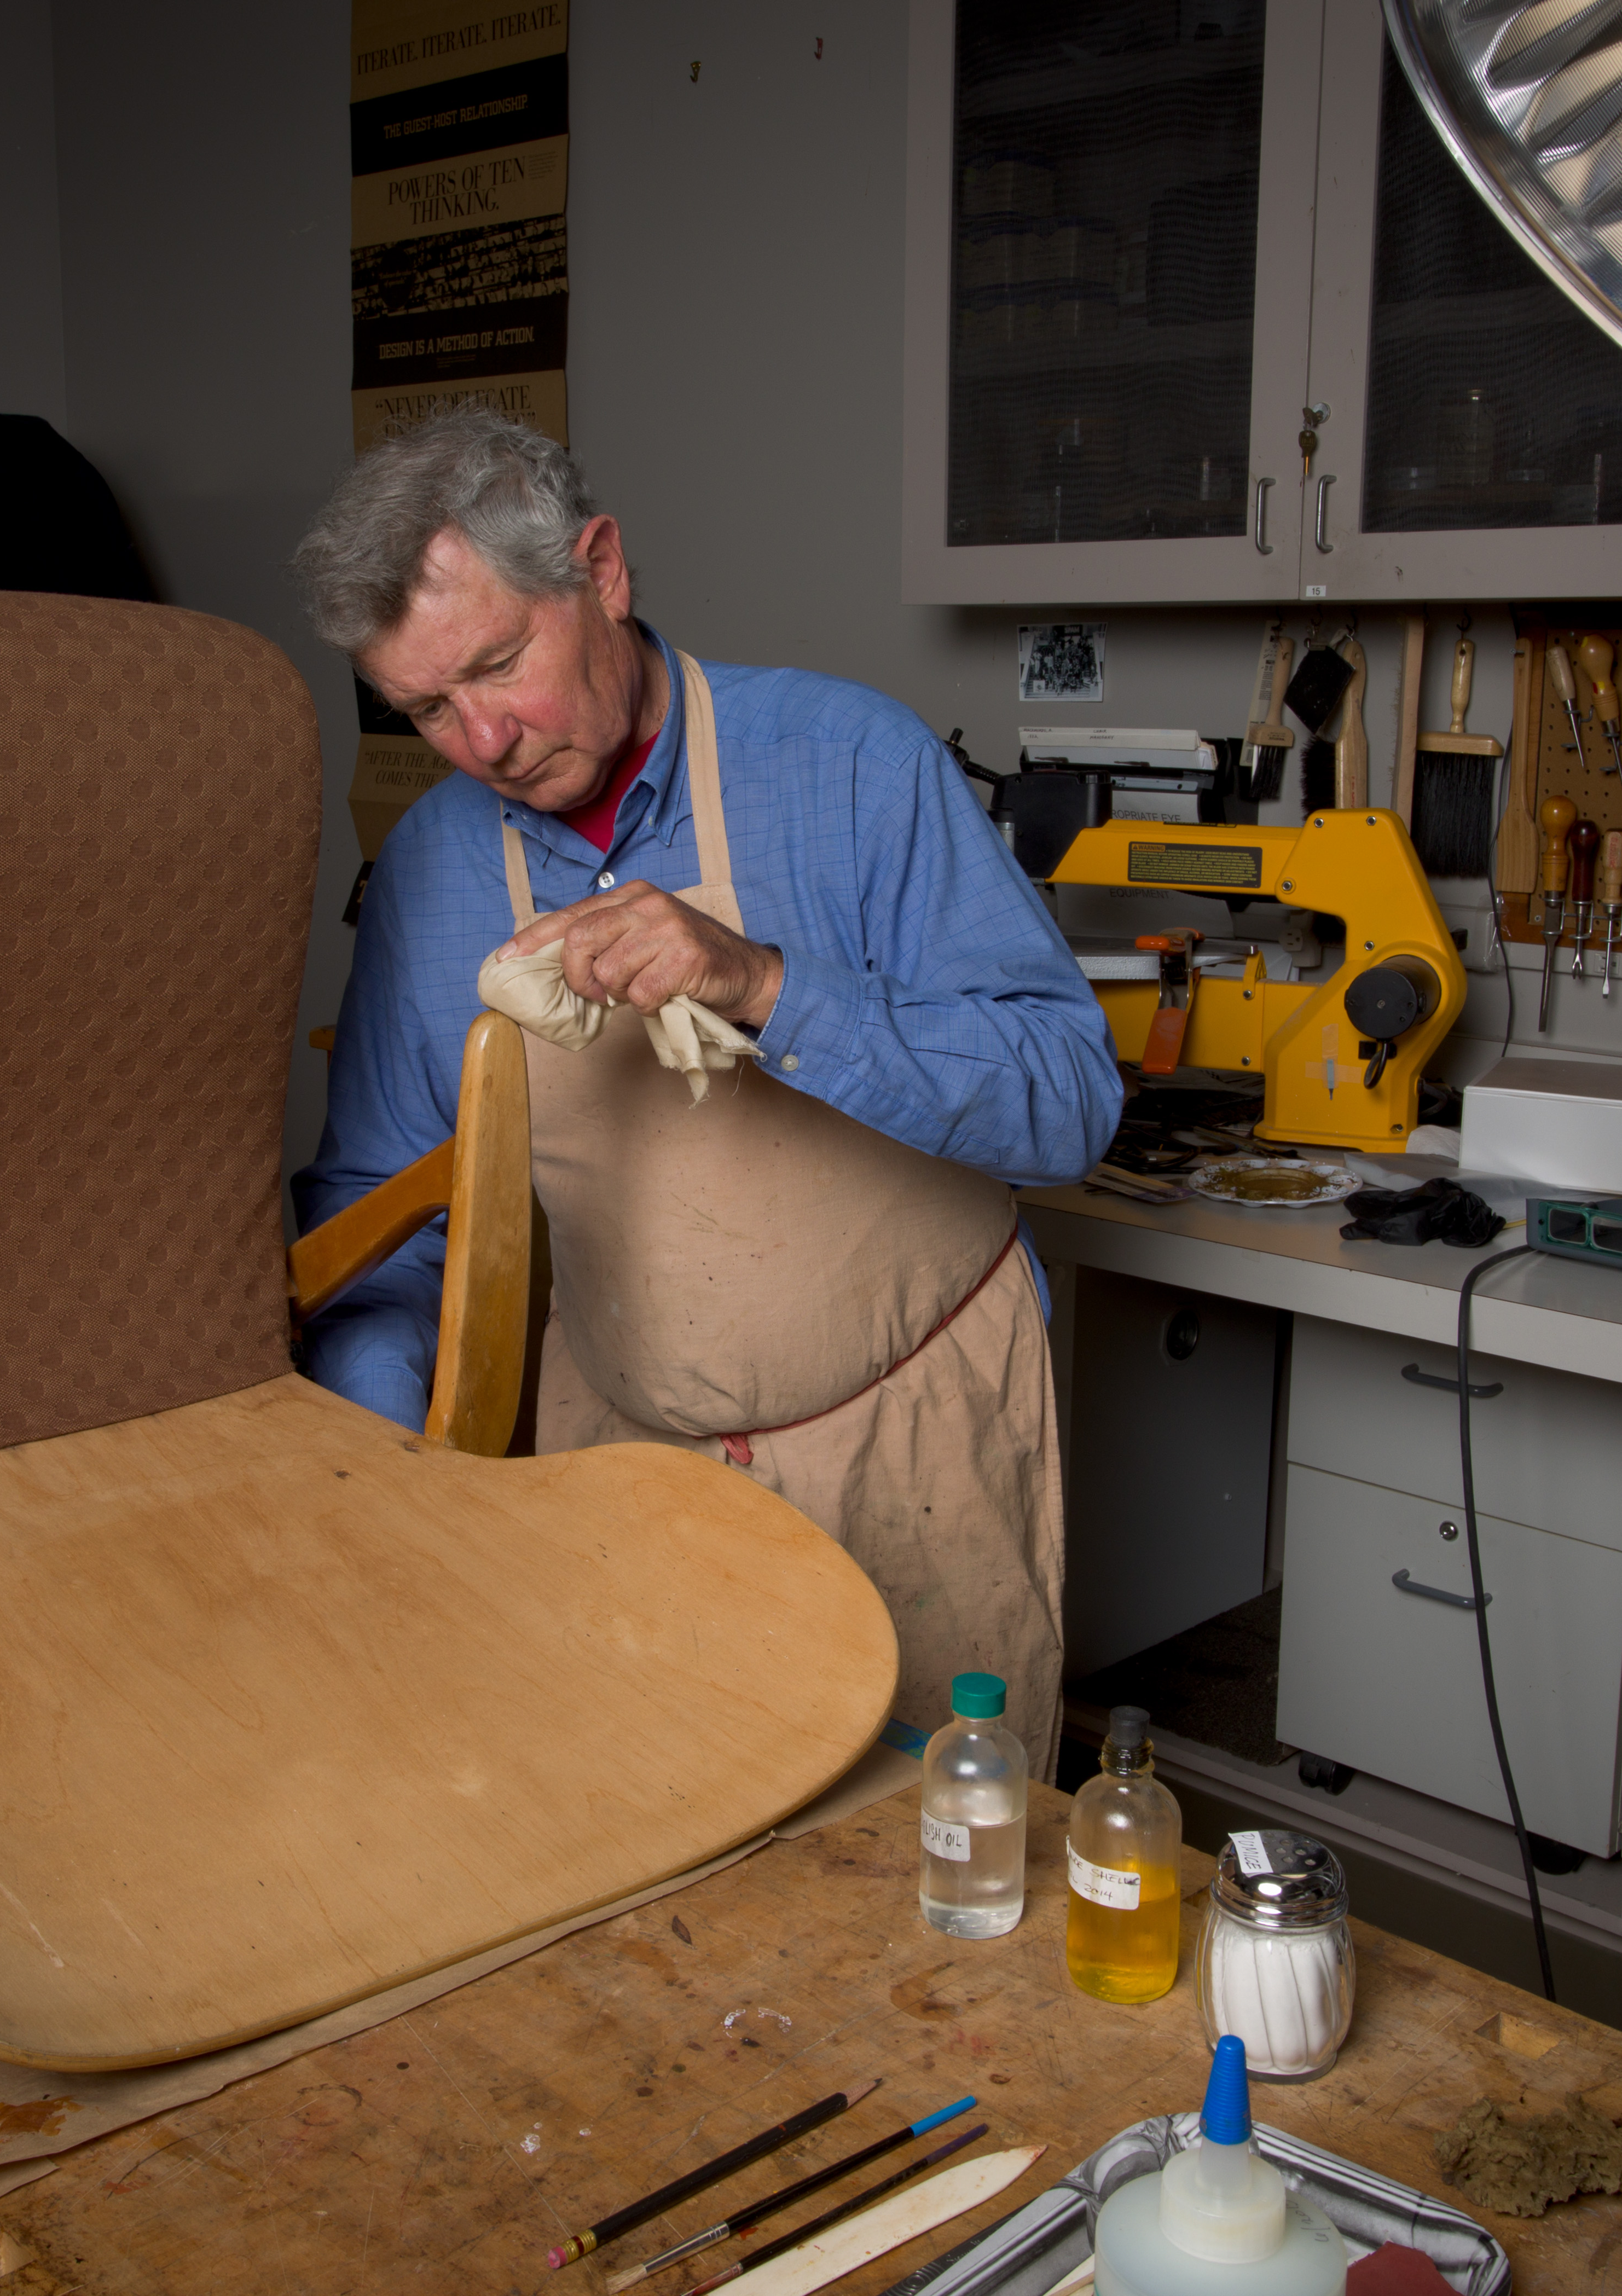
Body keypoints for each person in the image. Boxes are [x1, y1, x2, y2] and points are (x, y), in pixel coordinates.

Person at [289, 409, 1122, 1761]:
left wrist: (765, 987)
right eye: (426, 708)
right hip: (616, 1476)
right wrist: (396, 1493)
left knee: (922, 1907)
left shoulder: (858, 769)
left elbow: (1070, 1106)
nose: (483, 741)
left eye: (500, 664)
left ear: (601, 572)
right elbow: (384, 1223)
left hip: (909, 1453)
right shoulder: (434, 870)